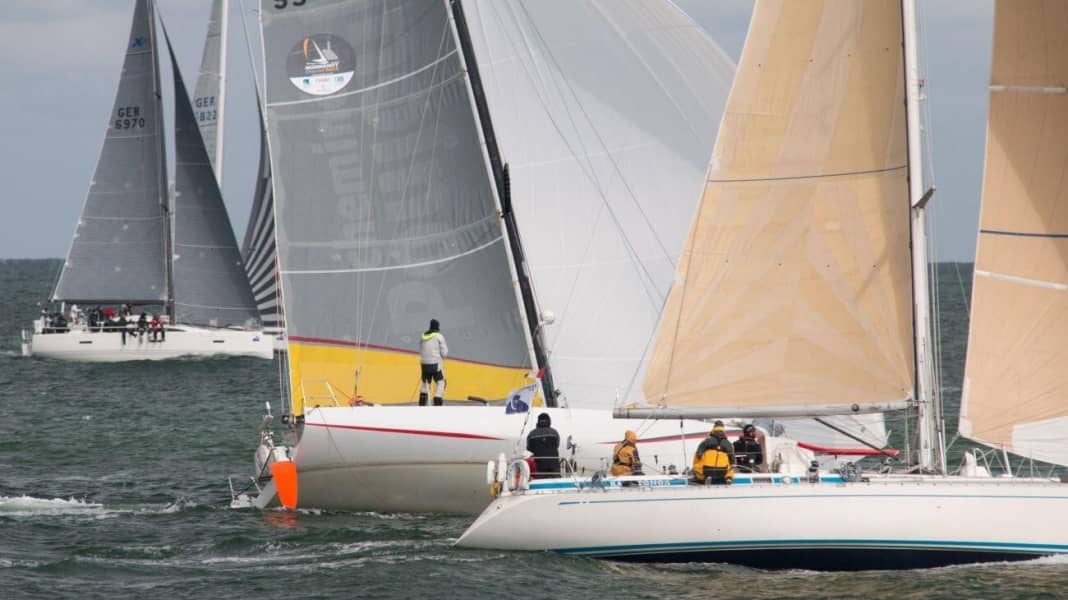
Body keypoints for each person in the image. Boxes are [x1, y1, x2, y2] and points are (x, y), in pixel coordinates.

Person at [418, 318, 448, 406]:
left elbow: (420, 350)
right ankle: (437, 400)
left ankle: (422, 404)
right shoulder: (439, 336)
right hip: (435, 365)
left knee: (425, 383)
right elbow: (445, 354)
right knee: (441, 382)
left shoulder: (422, 336)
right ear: (437, 327)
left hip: (424, 365)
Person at [526, 413, 561, 479]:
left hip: (539, 466)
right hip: (554, 466)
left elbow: (529, 448)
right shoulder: (554, 432)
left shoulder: (532, 434)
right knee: (555, 483)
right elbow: (557, 445)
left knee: (540, 483)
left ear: (538, 421)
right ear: (549, 421)